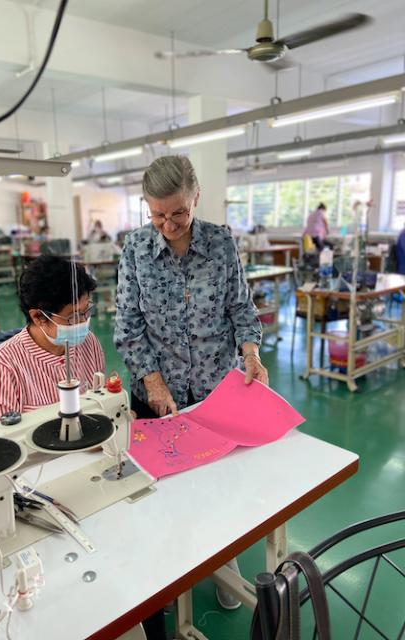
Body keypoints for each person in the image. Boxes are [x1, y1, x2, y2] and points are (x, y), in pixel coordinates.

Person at [114, 155, 267, 636]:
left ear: (195, 198)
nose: (167, 225)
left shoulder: (221, 243)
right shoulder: (136, 248)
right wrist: (153, 382)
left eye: (177, 213)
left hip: (214, 391)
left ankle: (225, 564)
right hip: (156, 395)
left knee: (223, 488)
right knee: (162, 491)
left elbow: (241, 306)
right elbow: (126, 325)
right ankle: (163, 576)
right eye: (156, 214)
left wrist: (251, 353)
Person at [0, 256, 104, 427]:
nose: (83, 322)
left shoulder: (89, 343)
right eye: (73, 316)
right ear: (38, 317)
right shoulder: (2, 365)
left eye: (86, 311)